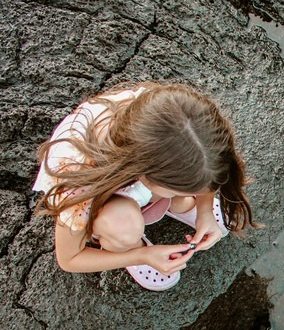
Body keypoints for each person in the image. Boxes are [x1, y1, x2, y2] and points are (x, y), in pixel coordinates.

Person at [33, 81, 256, 291]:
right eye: (183, 190)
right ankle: (132, 245)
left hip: (138, 171)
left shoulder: (164, 113)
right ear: (143, 177)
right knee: (121, 226)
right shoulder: (76, 178)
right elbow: (69, 259)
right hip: (101, 185)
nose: (203, 192)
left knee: (190, 172)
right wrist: (142, 256)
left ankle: (181, 204)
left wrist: (205, 212)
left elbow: (205, 169)